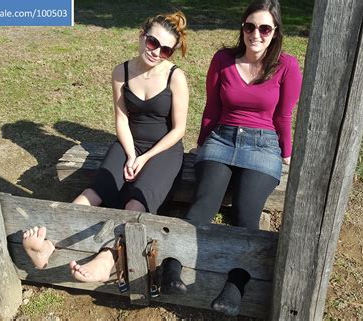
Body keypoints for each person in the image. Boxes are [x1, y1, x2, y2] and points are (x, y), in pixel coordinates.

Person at [21, 12, 189, 285]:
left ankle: (107, 258)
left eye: (165, 49)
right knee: (95, 191)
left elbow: (178, 130)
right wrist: (132, 153)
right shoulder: (121, 71)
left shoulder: (175, 77)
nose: (157, 52)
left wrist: (145, 158)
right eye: (152, 42)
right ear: (141, 35)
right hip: (129, 143)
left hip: (163, 150)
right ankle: (50, 243)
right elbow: (121, 119)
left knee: (137, 201)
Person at [162, 0, 302, 316]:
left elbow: (283, 116)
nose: (256, 34)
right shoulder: (223, 59)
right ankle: (172, 265)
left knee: (245, 212)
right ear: (243, 28)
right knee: (204, 203)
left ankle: (235, 285)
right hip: (222, 139)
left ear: (275, 31)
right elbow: (212, 108)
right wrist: (200, 144)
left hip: (264, 145)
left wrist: (288, 154)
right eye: (250, 26)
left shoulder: (287, 66)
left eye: (265, 28)